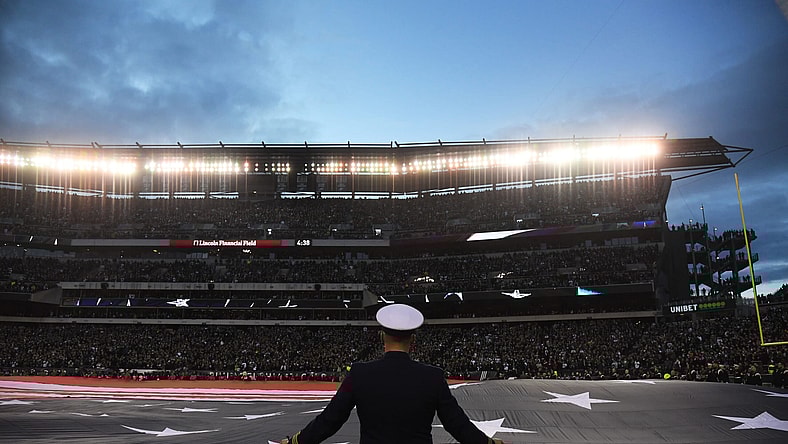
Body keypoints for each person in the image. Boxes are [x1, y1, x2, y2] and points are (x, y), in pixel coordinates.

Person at [279, 304, 507, 443]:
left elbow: (329, 421)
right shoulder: (433, 377)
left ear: (381, 337)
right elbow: (458, 426)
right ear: (413, 340)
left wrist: (295, 442)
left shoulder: (359, 374)